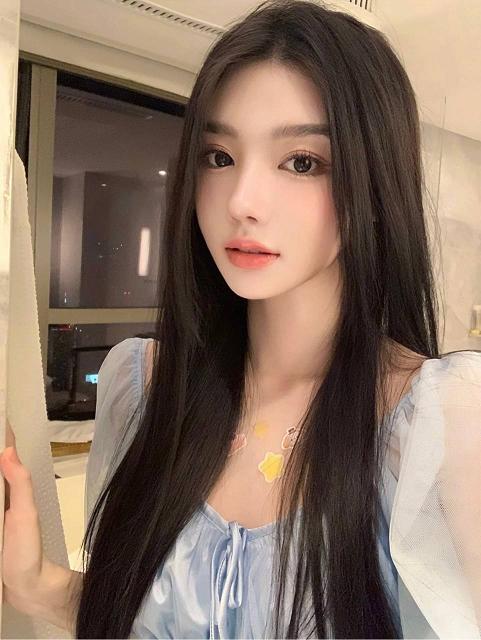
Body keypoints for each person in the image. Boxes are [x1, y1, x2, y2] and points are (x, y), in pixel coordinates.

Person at [2, 0, 481, 638]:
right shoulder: (142, 388)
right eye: (219, 156)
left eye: (302, 162)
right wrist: (37, 586)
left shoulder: (441, 427)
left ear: (374, 183)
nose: (242, 201)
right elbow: (139, 617)